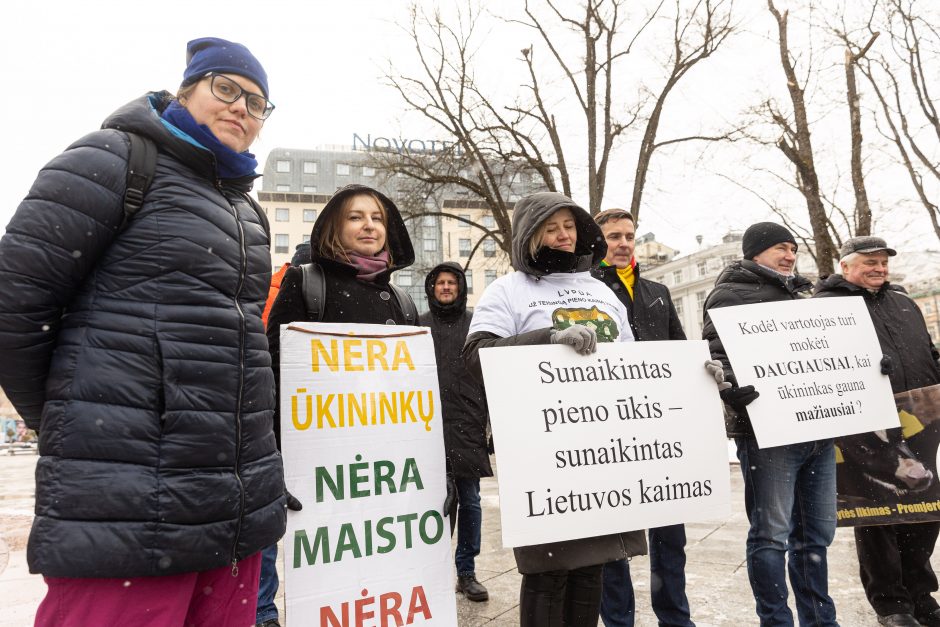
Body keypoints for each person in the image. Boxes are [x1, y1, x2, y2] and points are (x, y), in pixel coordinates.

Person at [0, 37, 285, 626]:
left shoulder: (246, 213)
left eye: (257, 103)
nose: (241, 108)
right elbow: (13, 308)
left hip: (231, 514)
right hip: (127, 509)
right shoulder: (113, 159)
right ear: (185, 91)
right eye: (225, 89)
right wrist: (66, 418)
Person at [462, 190, 651, 627]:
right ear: (530, 236)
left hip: (602, 448)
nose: (563, 235)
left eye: (569, 225)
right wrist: (546, 339)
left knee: (591, 566)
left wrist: (693, 380)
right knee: (549, 571)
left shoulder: (603, 293)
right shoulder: (508, 290)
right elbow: (476, 356)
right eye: (551, 227)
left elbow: (635, 365)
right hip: (542, 452)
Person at [703, 222, 838, 626]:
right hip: (767, 433)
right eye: (781, 247)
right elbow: (714, 353)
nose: (790, 254)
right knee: (771, 535)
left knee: (816, 535)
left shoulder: (801, 293)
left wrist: (867, 367)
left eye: (794, 248)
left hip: (817, 431)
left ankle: (819, 618)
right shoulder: (730, 294)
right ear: (755, 251)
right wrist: (730, 387)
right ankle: (776, 620)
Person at [815, 236, 940, 627]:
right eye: (870, 262)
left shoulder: (903, 302)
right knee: (878, 513)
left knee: (926, 509)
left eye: (883, 262)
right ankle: (892, 604)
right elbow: (819, 364)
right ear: (845, 265)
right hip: (865, 423)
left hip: (921, 417)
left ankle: (921, 594)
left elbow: (927, 351)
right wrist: (866, 368)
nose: (879, 269)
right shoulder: (825, 307)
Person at [591, 208, 693, 627]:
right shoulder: (585, 291)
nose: (623, 243)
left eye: (629, 235)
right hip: (607, 430)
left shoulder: (657, 292)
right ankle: (618, 621)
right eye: (613, 236)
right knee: (614, 539)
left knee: (670, 535)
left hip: (658, 429)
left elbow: (679, 352)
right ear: (598, 243)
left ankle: (675, 617)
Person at [419, 262, 494, 603]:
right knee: (433, 503)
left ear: (460, 288)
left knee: (471, 501)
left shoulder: (476, 325)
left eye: (452, 282)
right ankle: (432, 572)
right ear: (431, 288)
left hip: (468, 423)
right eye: (440, 283)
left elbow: (491, 375)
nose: (446, 287)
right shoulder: (418, 326)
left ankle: (466, 572)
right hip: (426, 426)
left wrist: (491, 423)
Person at [255, 241, 310, 627]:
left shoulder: (268, 287)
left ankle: (263, 609)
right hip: (293, 418)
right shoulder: (282, 288)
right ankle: (264, 608)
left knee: (270, 512)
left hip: (275, 416)